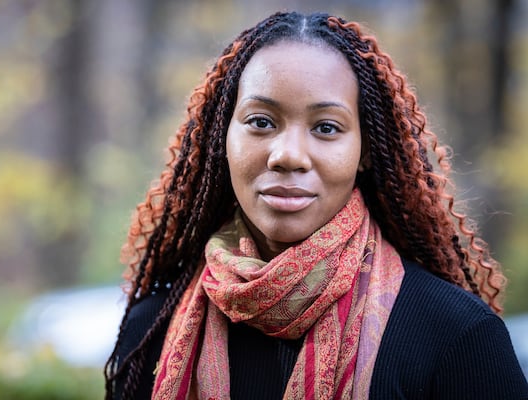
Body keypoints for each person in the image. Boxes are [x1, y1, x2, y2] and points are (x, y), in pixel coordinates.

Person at [104, 11, 528, 400]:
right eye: (261, 122)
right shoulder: (152, 331)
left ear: (365, 151)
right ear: (223, 139)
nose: (288, 155)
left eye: (326, 127)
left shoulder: (454, 336)